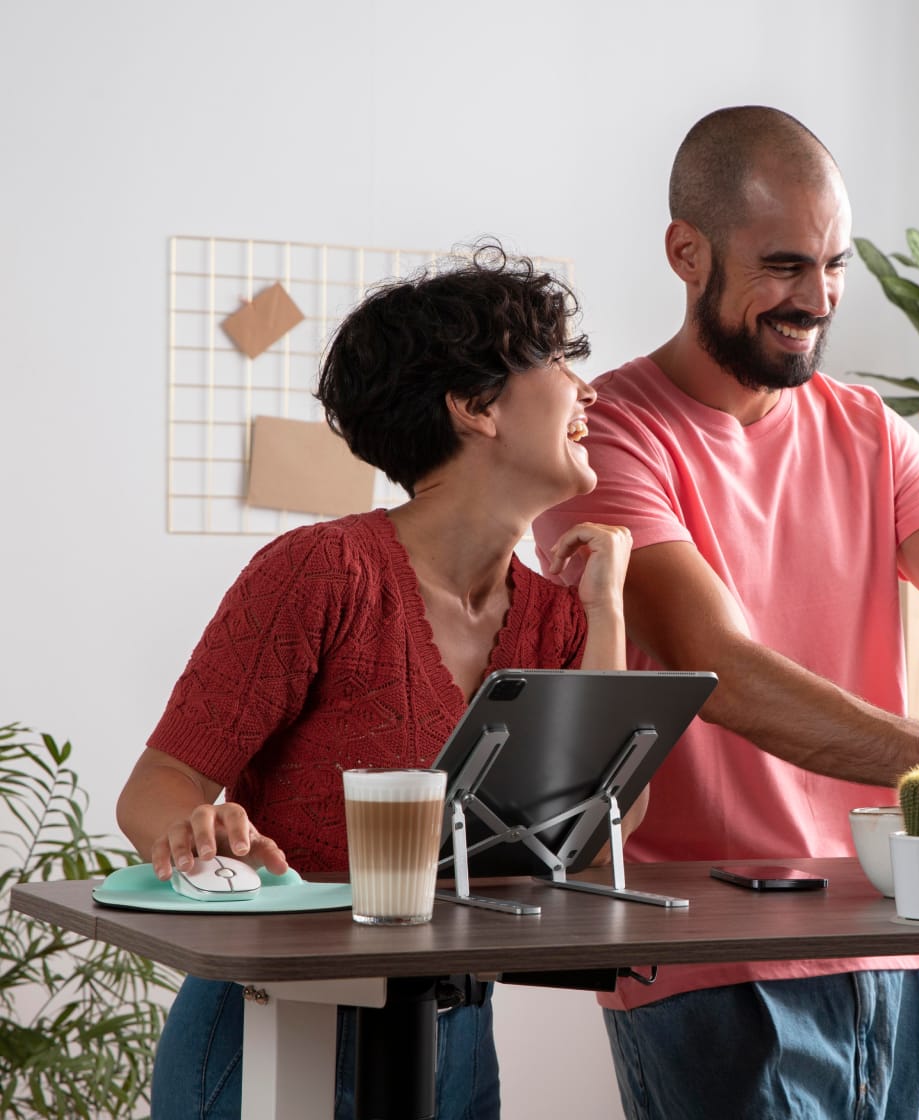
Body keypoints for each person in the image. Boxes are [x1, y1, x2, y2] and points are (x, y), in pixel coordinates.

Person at [533, 106, 919, 1120]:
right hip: (708, 949)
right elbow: (717, 666)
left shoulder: (869, 427)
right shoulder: (609, 437)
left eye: (834, 265)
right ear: (685, 253)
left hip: (885, 929)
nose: (817, 298)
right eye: (785, 265)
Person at [117, 243, 633, 1120]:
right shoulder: (323, 572)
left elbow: (593, 835)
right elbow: (155, 788)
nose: (590, 391)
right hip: (275, 1031)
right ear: (477, 408)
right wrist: (203, 833)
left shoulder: (564, 617)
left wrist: (610, 610)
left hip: (459, 1036)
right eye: (560, 362)